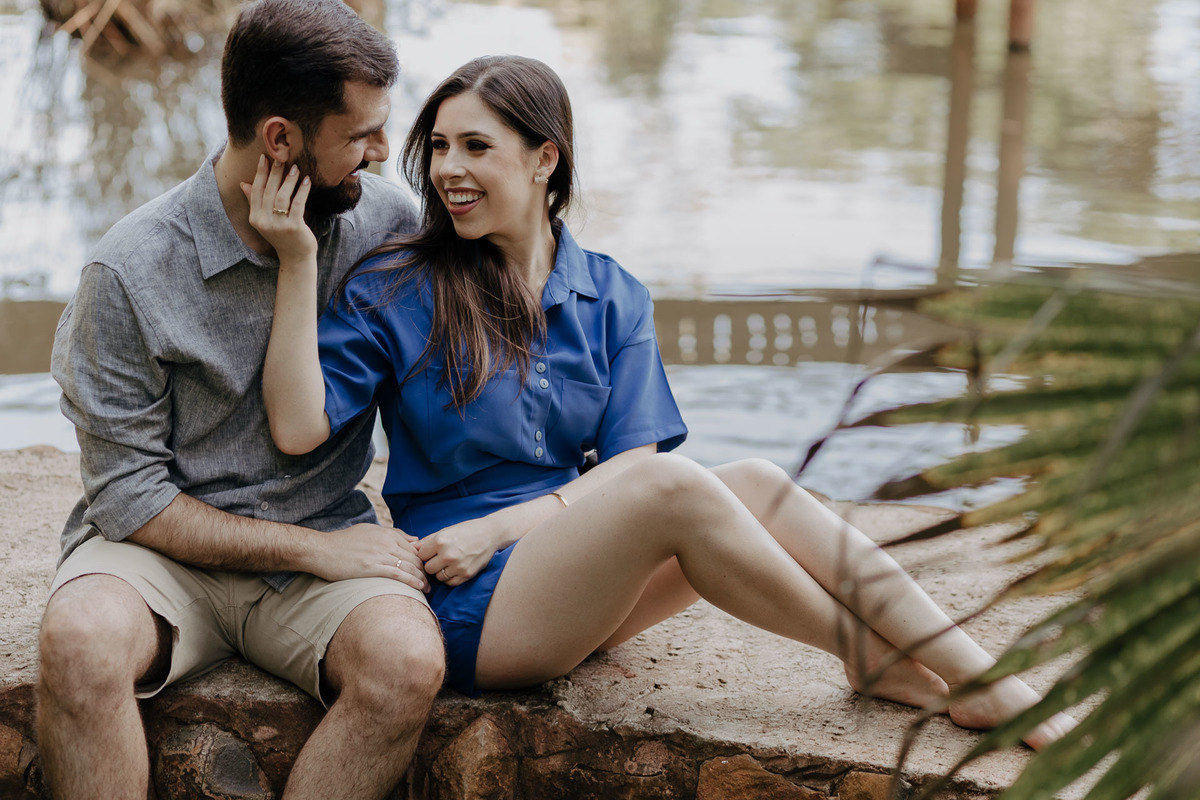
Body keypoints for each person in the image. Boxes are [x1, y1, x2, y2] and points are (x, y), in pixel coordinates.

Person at [251, 55, 1074, 751]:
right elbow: (295, 427)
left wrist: (502, 527)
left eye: (475, 146)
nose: (446, 170)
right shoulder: (399, 286)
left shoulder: (612, 294)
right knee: (676, 487)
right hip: (469, 601)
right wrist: (297, 259)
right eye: (437, 147)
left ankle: (977, 674)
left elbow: (631, 463)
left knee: (754, 480)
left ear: (544, 160)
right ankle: (878, 658)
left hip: (569, 574)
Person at [39, 1, 444, 798]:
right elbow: (128, 498)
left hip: (324, 542)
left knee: (407, 662)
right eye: (362, 135)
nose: (381, 152)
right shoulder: (128, 271)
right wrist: (313, 551)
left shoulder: (385, 227)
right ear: (280, 139)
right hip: (160, 558)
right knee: (79, 643)